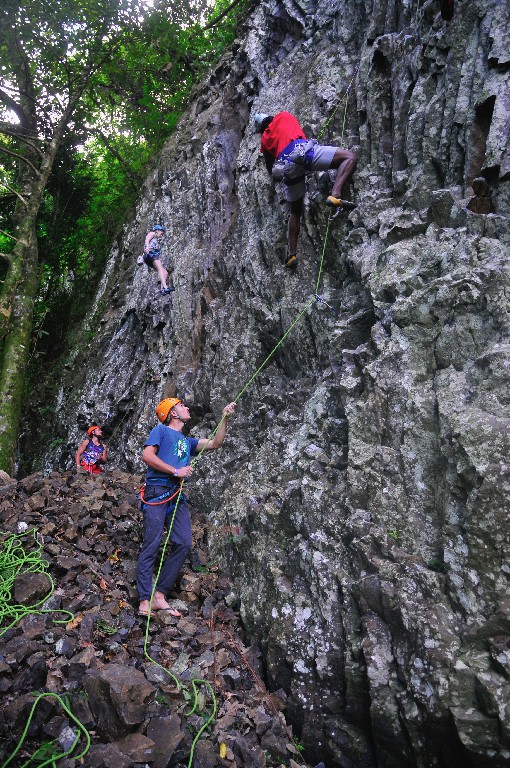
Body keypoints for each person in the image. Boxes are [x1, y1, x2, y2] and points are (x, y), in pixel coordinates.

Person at [137, 397, 236, 617]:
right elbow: (147, 455)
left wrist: (224, 418)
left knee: (183, 543)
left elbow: (215, 443)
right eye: (181, 405)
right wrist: (175, 471)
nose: (187, 407)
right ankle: (144, 600)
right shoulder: (161, 431)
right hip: (157, 490)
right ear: (172, 413)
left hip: (176, 495)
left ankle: (159, 596)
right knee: (152, 543)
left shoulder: (186, 441)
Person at [255, 111, 357, 269]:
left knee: (295, 211)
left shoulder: (264, 139)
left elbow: (270, 169)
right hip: (302, 152)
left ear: (261, 128)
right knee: (349, 157)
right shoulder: (283, 116)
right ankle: (335, 194)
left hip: (286, 167)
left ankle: (292, 255)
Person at [143, 224, 174, 295]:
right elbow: (147, 239)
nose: (161, 235)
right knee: (160, 269)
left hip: (150, 257)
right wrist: (147, 246)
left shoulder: (156, 240)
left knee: (165, 272)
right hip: (151, 254)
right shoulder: (152, 233)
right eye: (161, 233)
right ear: (157, 230)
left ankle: (162, 289)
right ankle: (165, 287)